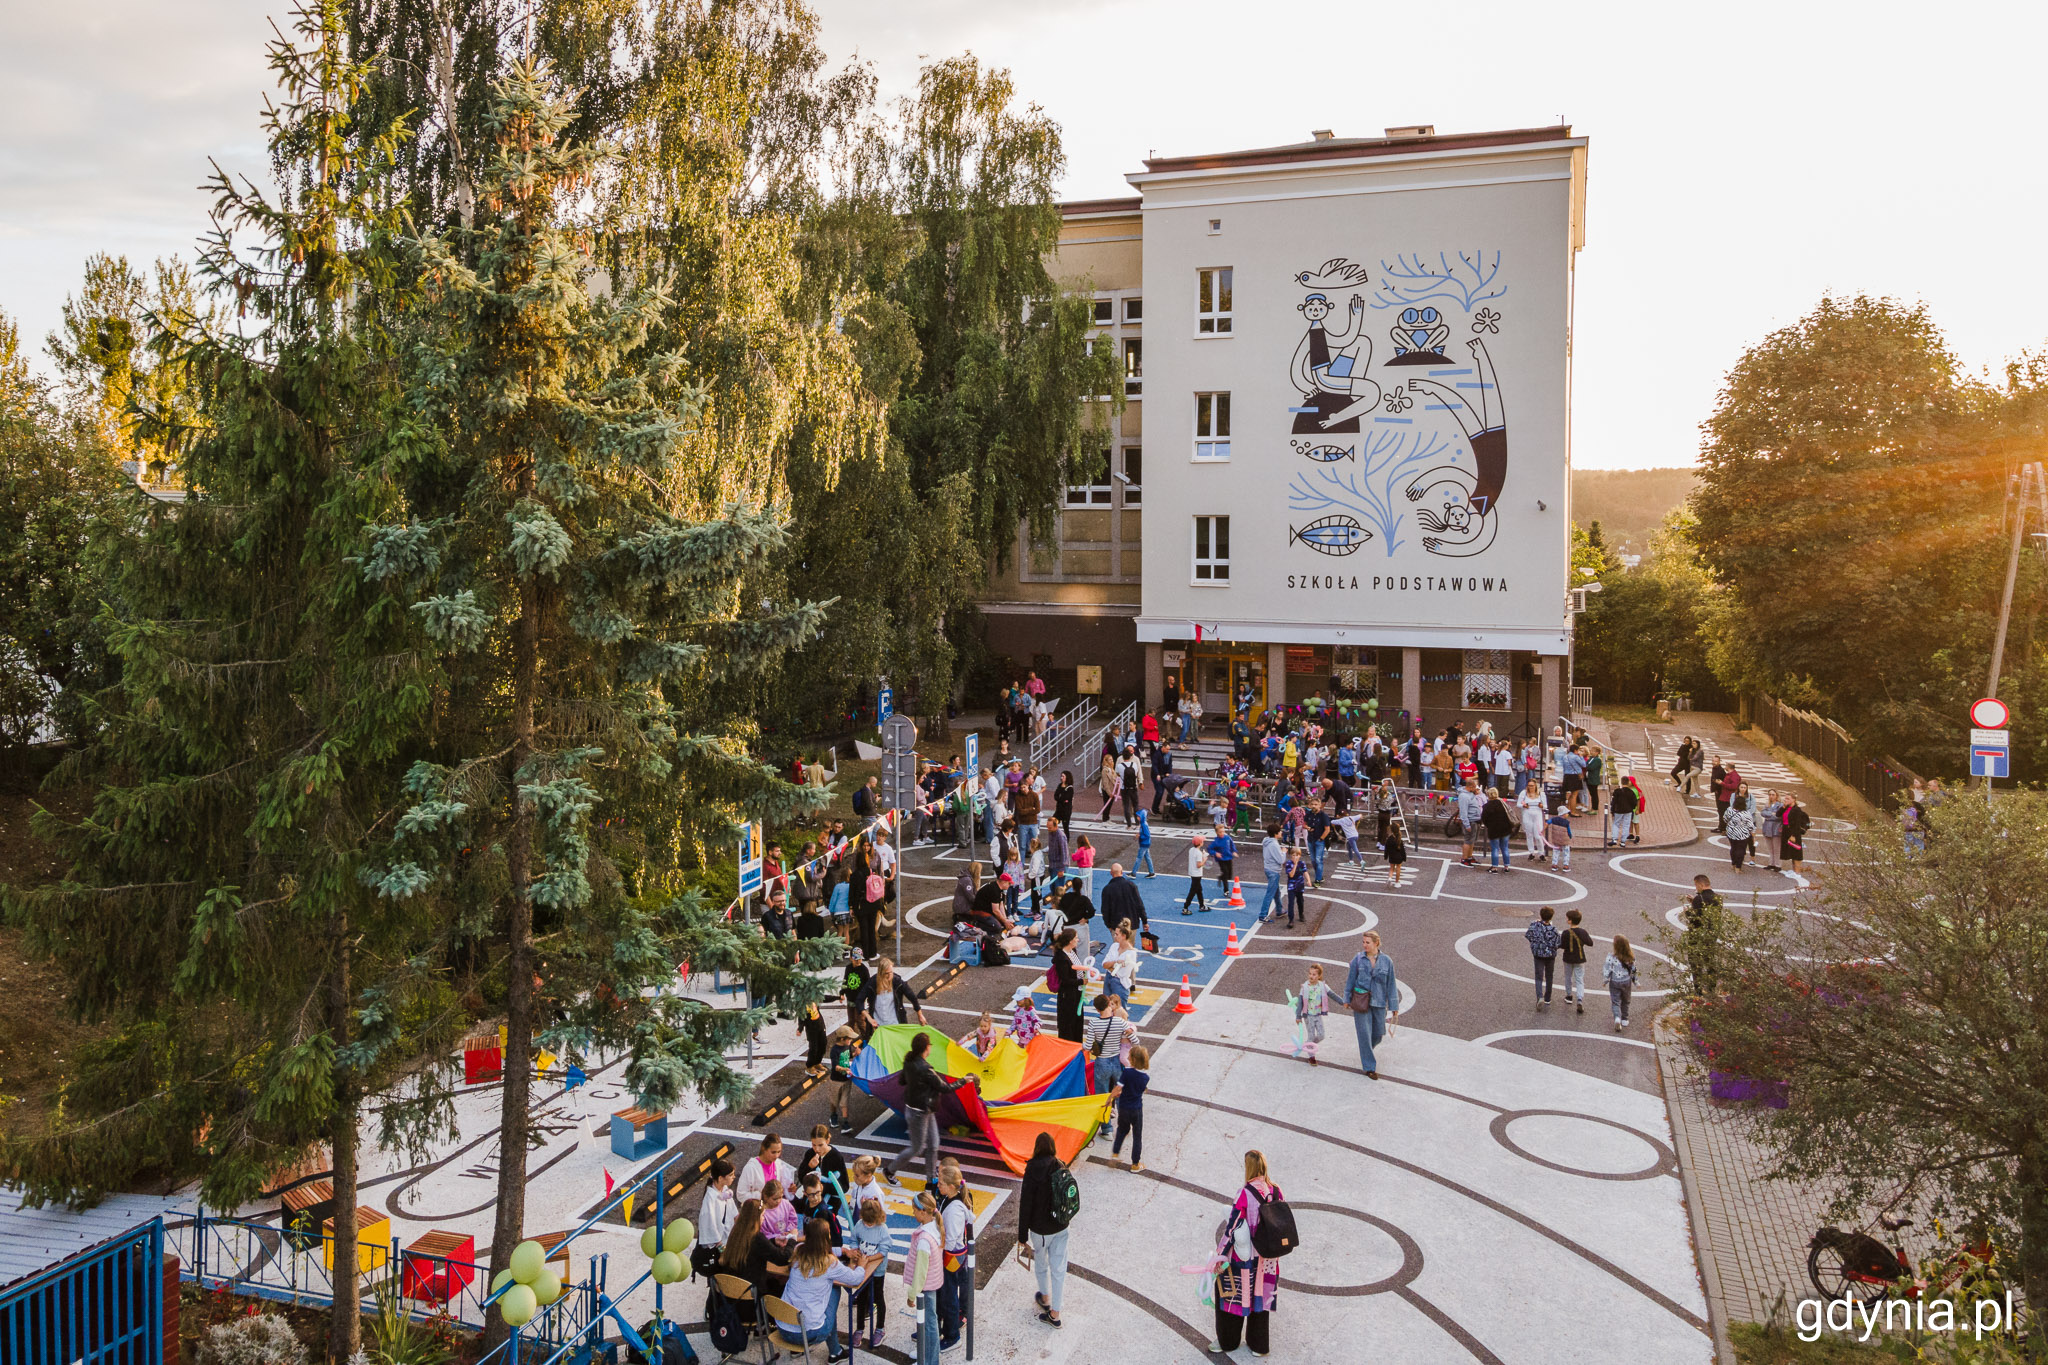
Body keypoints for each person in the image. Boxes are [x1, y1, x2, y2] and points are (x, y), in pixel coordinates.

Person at [1210, 1150, 1284, 1357]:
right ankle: (1258, 1345)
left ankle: (1228, 1341)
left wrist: (1219, 1254)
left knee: (1232, 1297)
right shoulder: (1276, 1191)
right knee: (1260, 1300)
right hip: (1268, 1259)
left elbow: (1232, 1227)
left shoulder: (1245, 1193)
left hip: (1243, 1259)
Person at [884, 1031, 969, 1189]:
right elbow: (945, 1088)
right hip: (920, 1112)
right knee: (917, 1148)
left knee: (933, 1144)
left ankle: (931, 1180)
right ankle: (889, 1170)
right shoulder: (926, 1069)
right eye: (929, 1045)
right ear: (925, 1048)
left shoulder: (909, 1061)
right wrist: (964, 1081)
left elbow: (902, 1080)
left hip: (923, 1109)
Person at [1017, 1132, 1073, 1328]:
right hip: (1061, 1227)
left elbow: (1026, 1204)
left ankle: (1045, 1298)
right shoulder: (1060, 1165)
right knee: (1059, 1270)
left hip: (1040, 1231)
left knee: (1041, 1265)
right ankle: (1055, 1314)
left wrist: (1022, 1235)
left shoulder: (1032, 1169)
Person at [1344, 930, 1398, 1078]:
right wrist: (1347, 999)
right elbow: (1351, 979)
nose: (1364, 945)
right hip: (1361, 1001)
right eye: (1363, 942)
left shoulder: (1387, 961)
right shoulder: (1358, 959)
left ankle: (1366, 1051)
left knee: (1378, 1034)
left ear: (1376, 943)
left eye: (1367, 942)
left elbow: (1391, 984)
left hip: (1379, 1002)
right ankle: (1369, 1067)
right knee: (1364, 1035)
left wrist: (1394, 1006)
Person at [934, 1167, 974, 1352]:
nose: (938, 1185)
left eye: (941, 1183)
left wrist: (936, 1243)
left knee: (948, 1297)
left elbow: (951, 1240)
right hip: (948, 1257)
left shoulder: (955, 1209)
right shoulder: (949, 1199)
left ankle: (952, 1336)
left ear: (951, 1186)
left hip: (949, 1258)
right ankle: (938, 1329)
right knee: (942, 1295)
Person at [903, 1192, 946, 1365]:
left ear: (923, 1212)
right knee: (929, 1322)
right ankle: (926, 1354)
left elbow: (920, 1273)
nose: (912, 1213)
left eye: (914, 1210)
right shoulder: (935, 1226)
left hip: (925, 1287)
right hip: (933, 1283)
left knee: (929, 1324)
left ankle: (930, 1361)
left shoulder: (923, 1240)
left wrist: (912, 1294)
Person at [847, 1197, 893, 1348]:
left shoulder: (882, 1229)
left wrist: (869, 1259)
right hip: (863, 1268)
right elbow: (853, 1240)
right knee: (861, 1298)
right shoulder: (859, 1225)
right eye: (866, 1222)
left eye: (870, 1223)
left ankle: (880, 1328)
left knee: (878, 1297)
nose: (867, 1225)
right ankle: (859, 1329)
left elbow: (884, 1251)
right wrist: (855, 1251)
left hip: (877, 1270)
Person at [718, 1197, 788, 1291]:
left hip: (732, 1289)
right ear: (756, 1218)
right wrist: (792, 1240)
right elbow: (782, 1259)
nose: (764, 1218)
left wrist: (772, 1241)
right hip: (751, 1293)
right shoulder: (757, 1238)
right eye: (763, 1215)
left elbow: (753, 1248)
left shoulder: (735, 1232)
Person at [1084, 994, 1133, 1111]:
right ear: (1108, 1004)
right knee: (1120, 1092)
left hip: (1101, 1062)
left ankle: (1107, 1127)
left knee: (1102, 1096)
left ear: (1096, 1009)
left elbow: (1088, 1045)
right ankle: (1124, 1121)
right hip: (1117, 1060)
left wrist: (1081, 1046)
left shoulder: (1093, 1023)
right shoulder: (1119, 1022)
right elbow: (1133, 1038)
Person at [1110, 1043, 1151, 1171]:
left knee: (1122, 1130)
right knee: (1137, 1136)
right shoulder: (1145, 1077)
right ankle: (1135, 1164)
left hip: (1124, 1108)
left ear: (1132, 1059)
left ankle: (1115, 1154)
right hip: (1136, 1109)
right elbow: (1141, 1089)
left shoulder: (1126, 1073)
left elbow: (1118, 1088)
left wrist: (1109, 1099)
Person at [859, 957, 927, 1032]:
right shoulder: (872, 984)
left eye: (891, 972)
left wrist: (920, 1014)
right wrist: (869, 1018)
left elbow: (912, 997)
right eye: (886, 973)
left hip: (895, 1023)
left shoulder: (897, 982)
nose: (890, 976)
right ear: (880, 973)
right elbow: (859, 1000)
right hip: (878, 1026)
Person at [696, 1158, 738, 1279]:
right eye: (730, 1175)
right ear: (720, 1178)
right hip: (718, 1249)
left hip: (727, 1242)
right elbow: (711, 1227)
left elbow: (735, 1214)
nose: (733, 1177)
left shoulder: (724, 1191)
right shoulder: (710, 1199)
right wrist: (723, 1251)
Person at [798, 1122, 850, 1210]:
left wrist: (822, 1187)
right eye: (814, 1145)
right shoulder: (810, 1153)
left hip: (830, 1203)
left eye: (820, 1145)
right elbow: (801, 1178)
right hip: (811, 1201)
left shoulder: (836, 1157)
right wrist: (809, 1167)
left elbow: (844, 1186)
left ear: (827, 1140)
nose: (817, 1149)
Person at [738, 1133, 797, 1204]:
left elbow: (780, 1189)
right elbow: (741, 1195)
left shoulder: (778, 1164)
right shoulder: (751, 1168)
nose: (776, 1156)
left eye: (779, 1152)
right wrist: (762, 1196)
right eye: (773, 1152)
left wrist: (789, 1189)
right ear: (764, 1149)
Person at [1051, 928, 1086, 1044]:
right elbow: (1065, 980)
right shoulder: (1062, 957)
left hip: (1076, 993)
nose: (1078, 940)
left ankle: (1076, 1045)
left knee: (1077, 1022)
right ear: (1070, 940)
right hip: (1068, 996)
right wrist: (1081, 981)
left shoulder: (1072, 951)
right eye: (1076, 938)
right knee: (1068, 1024)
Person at [1293, 964, 1332, 1064]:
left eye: (1314, 974)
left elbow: (1333, 995)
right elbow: (1300, 1003)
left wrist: (1343, 1002)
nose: (1311, 976)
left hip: (1317, 1015)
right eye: (1310, 974)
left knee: (1321, 1035)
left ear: (1319, 976)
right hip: (1308, 1016)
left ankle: (1308, 1045)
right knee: (1311, 1035)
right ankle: (1311, 1056)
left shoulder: (1323, 986)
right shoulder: (1305, 987)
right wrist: (1298, 1016)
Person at [1099, 863, 1147, 939]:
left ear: (1111, 873)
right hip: (1132, 925)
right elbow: (1139, 905)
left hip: (1116, 926)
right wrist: (1145, 921)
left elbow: (1105, 910)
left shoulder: (1107, 889)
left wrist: (1108, 925)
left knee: (1118, 949)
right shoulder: (1131, 885)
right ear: (1122, 872)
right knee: (1130, 948)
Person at [1560, 908, 1594, 1014]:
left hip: (1568, 958)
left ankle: (1569, 996)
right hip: (1580, 959)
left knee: (1568, 977)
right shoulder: (1583, 932)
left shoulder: (1566, 933)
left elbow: (1562, 945)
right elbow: (1590, 943)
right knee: (1579, 979)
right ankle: (1579, 999)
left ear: (1570, 921)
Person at [1526, 906, 1560, 1007]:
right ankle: (1548, 998)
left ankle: (1539, 996)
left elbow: (1528, 935)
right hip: (1550, 955)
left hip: (1538, 954)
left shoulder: (1534, 925)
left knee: (1538, 976)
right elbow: (1558, 943)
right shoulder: (1554, 930)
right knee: (1549, 976)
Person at [827, 1026, 859, 1131]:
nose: (851, 1040)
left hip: (846, 1079)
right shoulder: (834, 1050)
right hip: (836, 1080)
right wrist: (845, 1069)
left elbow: (849, 1056)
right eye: (849, 1039)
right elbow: (835, 1066)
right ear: (842, 1039)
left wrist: (855, 1054)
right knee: (834, 1101)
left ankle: (845, 1122)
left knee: (844, 1102)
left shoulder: (848, 1046)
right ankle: (833, 1115)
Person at [1100, 924, 1139, 1007]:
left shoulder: (1131, 953)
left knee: (1120, 1012)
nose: (1114, 936)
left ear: (1124, 936)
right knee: (1106, 1008)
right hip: (1108, 977)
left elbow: (1122, 973)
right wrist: (1116, 963)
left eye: (1117, 934)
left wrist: (1111, 965)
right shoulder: (1114, 946)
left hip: (1120, 983)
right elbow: (1104, 965)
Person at [1605, 934, 1638, 1031]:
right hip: (1626, 981)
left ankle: (1617, 1018)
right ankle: (1625, 1018)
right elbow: (1633, 970)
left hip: (1614, 982)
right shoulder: (1630, 957)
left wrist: (1606, 980)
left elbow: (1607, 969)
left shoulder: (1611, 957)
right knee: (1626, 1000)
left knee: (1615, 1001)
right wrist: (1636, 981)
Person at [1480, 786, 1515, 872]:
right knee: (1505, 848)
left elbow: (1484, 819)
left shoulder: (1486, 806)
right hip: (1505, 829)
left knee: (1495, 848)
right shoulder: (1503, 803)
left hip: (1494, 830)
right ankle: (1506, 866)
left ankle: (1495, 867)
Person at [1257, 822, 1286, 922]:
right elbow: (1281, 860)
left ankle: (1279, 910)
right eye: (1280, 831)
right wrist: (1283, 852)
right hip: (1274, 871)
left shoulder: (1266, 841)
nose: (1281, 833)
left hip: (1268, 868)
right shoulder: (1274, 844)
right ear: (1275, 833)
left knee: (1276, 892)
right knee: (1270, 893)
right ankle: (1263, 915)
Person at [1724, 790, 1757, 870]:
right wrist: (1753, 836)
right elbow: (1750, 826)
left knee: (1733, 848)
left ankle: (1733, 864)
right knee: (1741, 850)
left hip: (1731, 833)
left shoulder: (1729, 810)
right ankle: (1738, 867)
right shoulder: (1746, 814)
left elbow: (1725, 819)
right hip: (1742, 834)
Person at [1781, 795, 1811, 878]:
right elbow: (1778, 814)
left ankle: (1797, 873)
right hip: (1787, 832)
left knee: (1797, 852)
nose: (1785, 800)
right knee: (1792, 852)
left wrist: (1793, 835)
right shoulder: (1787, 808)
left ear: (1793, 800)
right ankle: (1794, 870)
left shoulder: (1796, 810)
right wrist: (1783, 807)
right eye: (1785, 798)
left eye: (1788, 799)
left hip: (1794, 833)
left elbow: (1797, 824)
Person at [1609, 779, 1640, 846]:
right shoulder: (1631, 792)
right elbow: (1634, 802)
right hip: (1628, 811)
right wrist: (1632, 808)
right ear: (1628, 782)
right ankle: (1623, 842)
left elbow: (1613, 802)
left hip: (1618, 810)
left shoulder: (1617, 791)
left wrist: (1612, 810)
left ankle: (1614, 839)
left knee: (1616, 824)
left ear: (1621, 782)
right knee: (1626, 825)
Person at [1184, 835, 1210, 914]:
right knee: (1193, 891)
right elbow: (1199, 865)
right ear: (1200, 843)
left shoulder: (1191, 850)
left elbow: (1195, 858)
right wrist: (1204, 859)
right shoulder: (1198, 853)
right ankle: (1185, 907)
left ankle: (1202, 905)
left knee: (1199, 890)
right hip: (1197, 874)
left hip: (1192, 873)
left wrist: (1202, 854)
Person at [1283, 847, 1308, 927]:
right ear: (1291, 856)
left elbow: (1305, 872)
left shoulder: (1302, 863)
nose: (1295, 857)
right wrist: (1295, 865)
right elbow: (1291, 874)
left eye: (1297, 855)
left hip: (1300, 886)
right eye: (1293, 855)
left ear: (1299, 856)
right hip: (1291, 887)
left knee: (1300, 901)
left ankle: (1301, 914)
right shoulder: (1288, 864)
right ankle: (1291, 920)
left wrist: (1308, 880)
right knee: (1291, 903)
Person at [1210, 823, 1237, 897]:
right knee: (1225, 872)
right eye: (1220, 832)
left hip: (1229, 857)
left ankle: (1221, 877)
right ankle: (1226, 890)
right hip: (1221, 859)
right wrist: (1215, 853)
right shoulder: (1216, 841)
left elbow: (1232, 845)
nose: (1222, 833)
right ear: (1216, 833)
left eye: (1223, 831)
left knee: (1229, 875)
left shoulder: (1228, 838)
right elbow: (1210, 849)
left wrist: (1234, 851)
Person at [1545, 804, 1573, 871]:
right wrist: (1570, 836)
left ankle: (1554, 865)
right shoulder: (1566, 822)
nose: (1568, 814)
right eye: (1567, 813)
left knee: (1555, 851)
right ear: (1563, 814)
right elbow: (1569, 831)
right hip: (1564, 840)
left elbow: (1548, 822)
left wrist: (1543, 829)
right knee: (1566, 852)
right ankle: (1566, 865)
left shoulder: (1554, 819)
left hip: (1556, 839)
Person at [1383, 817, 1409, 888]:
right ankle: (1397, 882)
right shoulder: (1399, 839)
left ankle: (1390, 878)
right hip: (1399, 857)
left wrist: (1386, 856)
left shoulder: (1389, 839)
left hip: (1391, 856)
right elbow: (1402, 850)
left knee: (1391, 868)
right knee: (1398, 868)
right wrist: (1404, 857)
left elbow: (1386, 849)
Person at [1134, 807, 1156, 876]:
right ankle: (1151, 872)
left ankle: (1133, 873)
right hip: (1146, 843)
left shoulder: (1143, 825)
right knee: (1147, 857)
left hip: (1144, 843)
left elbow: (1147, 835)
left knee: (1139, 858)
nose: (1137, 817)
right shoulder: (1144, 823)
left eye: (1138, 816)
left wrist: (1139, 836)